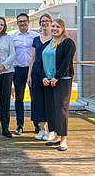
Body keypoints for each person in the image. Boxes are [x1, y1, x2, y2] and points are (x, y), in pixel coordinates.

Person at [38, 19, 76, 151]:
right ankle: (56, 135)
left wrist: (56, 77)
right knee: (51, 109)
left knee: (61, 109)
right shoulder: (47, 44)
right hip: (48, 81)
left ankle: (63, 139)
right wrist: (43, 77)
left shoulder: (68, 43)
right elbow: (40, 63)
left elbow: (66, 62)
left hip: (62, 80)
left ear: (63, 29)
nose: (54, 29)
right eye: (53, 26)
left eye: (57, 27)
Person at [10, 13, 39, 135]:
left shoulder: (36, 36)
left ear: (28, 22)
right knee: (19, 98)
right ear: (17, 23)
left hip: (33, 70)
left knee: (35, 98)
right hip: (19, 70)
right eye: (20, 21)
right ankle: (19, 125)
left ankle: (37, 124)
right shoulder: (12, 37)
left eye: (25, 21)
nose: (22, 23)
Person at [27, 13, 53, 141]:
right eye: (42, 21)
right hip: (36, 73)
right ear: (40, 23)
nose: (44, 23)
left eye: (47, 21)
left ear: (51, 22)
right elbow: (32, 59)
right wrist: (29, 75)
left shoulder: (55, 39)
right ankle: (42, 129)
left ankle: (51, 130)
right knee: (37, 101)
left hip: (48, 73)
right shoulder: (36, 39)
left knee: (49, 100)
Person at [0, 17, 15, 138]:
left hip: (6, 72)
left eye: (1, 24)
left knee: (5, 101)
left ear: (4, 26)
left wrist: (3, 65)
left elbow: (13, 54)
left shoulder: (8, 38)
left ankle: (5, 127)